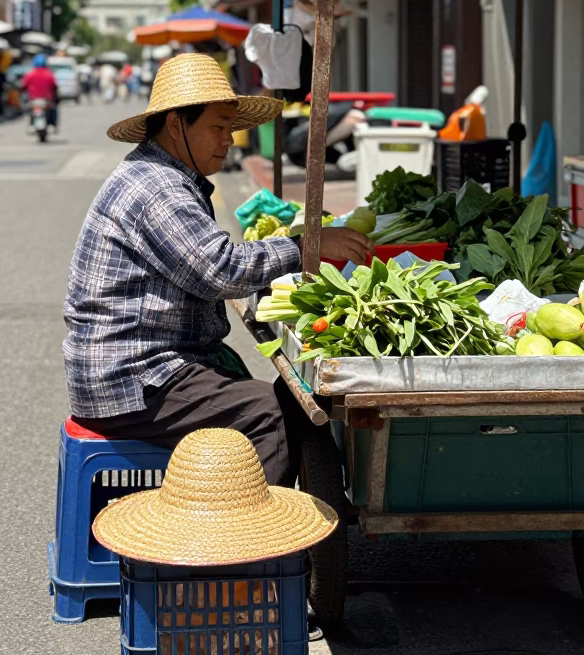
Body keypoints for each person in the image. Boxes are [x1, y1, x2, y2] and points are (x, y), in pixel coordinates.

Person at [63, 52, 370, 487]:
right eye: (218, 127)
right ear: (176, 125)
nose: (228, 140)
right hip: (135, 378)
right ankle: (246, 548)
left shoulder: (166, 175)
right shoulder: (158, 187)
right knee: (272, 418)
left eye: (231, 128)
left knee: (287, 397)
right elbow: (221, 270)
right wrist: (307, 247)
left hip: (150, 366)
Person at [21, 54, 59, 129]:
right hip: (46, 100)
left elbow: (23, 86)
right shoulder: (49, 74)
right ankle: (52, 123)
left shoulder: (30, 74)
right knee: (54, 109)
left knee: (28, 110)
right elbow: (55, 86)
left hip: (33, 100)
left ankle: (31, 123)